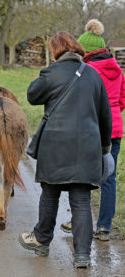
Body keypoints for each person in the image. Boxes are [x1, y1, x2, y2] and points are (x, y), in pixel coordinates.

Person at [18, 31, 112, 268]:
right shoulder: (93, 75)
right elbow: (105, 115)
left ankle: (41, 239)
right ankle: (82, 255)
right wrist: (105, 149)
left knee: (50, 194)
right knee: (81, 200)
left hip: (55, 145)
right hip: (87, 147)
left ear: (56, 51)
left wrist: (46, 73)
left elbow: (31, 95)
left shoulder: (51, 73)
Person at [60, 19, 125, 241]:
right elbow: (122, 99)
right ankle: (104, 227)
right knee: (109, 177)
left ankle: (78, 221)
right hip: (115, 130)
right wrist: (114, 112)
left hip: (91, 129)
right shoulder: (117, 69)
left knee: (82, 175)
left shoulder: (85, 70)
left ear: (85, 51)